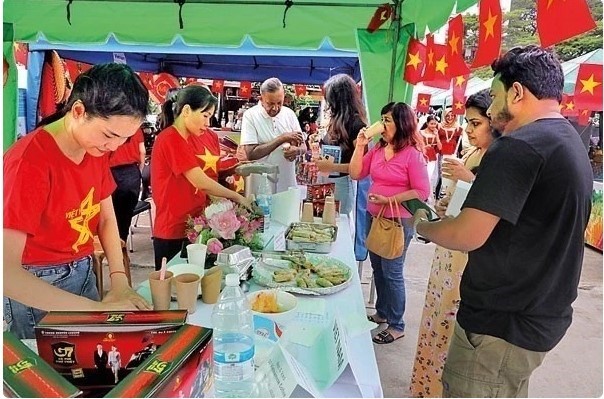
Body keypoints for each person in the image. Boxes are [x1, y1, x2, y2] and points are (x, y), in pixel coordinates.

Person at [414, 45, 593, 397]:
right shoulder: (568, 139)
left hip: (500, 325)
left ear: (516, 92)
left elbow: (468, 234)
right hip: (537, 318)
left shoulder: (518, 146)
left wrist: (423, 226)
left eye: (495, 97)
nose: (492, 109)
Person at [3, 63, 152, 339]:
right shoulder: (28, 162)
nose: (114, 147)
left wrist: (118, 280)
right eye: (109, 135)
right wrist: (94, 311)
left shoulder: (93, 150)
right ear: (79, 111)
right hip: (37, 286)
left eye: (124, 139)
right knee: (49, 375)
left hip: (83, 272)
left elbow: (106, 218)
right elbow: (6, 274)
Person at [410, 89, 501, 397]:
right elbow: (456, 202)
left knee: (451, 324)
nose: (469, 129)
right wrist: (443, 206)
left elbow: (496, 206)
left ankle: (440, 389)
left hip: (467, 254)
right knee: (437, 317)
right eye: (468, 122)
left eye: (476, 123)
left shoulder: (499, 158)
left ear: (494, 121)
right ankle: (426, 386)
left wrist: (468, 180)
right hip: (447, 249)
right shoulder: (470, 153)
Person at [349, 102, 430, 344]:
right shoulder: (376, 149)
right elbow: (356, 173)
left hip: (398, 221)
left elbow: (421, 191)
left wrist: (390, 199)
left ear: (402, 124)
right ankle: (383, 312)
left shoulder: (412, 155)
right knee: (378, 269)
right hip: (375, 218)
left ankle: (397, 324)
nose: (382, 125)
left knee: (393, 272)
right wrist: (360, 146)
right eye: (382, 119)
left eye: (387, 121)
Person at [151, 85, 250, 270]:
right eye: (205, 116)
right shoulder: (171, 139)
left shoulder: (188, 138)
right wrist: (237, 197)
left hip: (194, 226)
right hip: (173, 230)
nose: (207, 122)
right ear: (186, 110)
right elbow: (201, 181)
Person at [313, 74, 368, 217]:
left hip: (342, 183)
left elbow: (362, 166)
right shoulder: (336, 119)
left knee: (338, 223)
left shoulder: (356, 125)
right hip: (327, 180)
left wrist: (332, 167)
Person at [240, 77, 305, 193]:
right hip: (261, 186)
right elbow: (251, 154)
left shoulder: (289, 114)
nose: (275, 108)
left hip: (287, 185)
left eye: (279, 103)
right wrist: (282, 138)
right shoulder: (250, 116)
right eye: (270, 104)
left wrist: (297, 151)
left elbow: (303, 146)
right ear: (261, 99)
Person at [109, 126, 146, 242]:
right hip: (131, 172)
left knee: (110, 215)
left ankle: (113, 245)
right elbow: (142, 152)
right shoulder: (136, 128)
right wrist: (139, 170)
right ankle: (122, 242)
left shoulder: (110, 126)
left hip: (111, 172)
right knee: (125, 215)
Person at [435, 109, 463, 198]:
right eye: (447, 116)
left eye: (452, 115)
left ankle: (447, 193)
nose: (450, 118)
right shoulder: (439, 126)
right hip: (441, 153)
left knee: (450, 174)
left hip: (452, 153)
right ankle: (438, 195)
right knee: (441, 174)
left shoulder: (458, 128)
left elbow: (460, 143)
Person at [419, 115, 442, 201]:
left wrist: (437, 136)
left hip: (432, 157)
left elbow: (440, 147)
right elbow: (416, 145)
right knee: (422, 175)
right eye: (432, 124)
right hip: (422, 156)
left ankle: (426, 194)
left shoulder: (436, 133)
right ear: (427, 123)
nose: (433, 126)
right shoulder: (421, 132)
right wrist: (425, 146)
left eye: (435, 124)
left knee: (429, 176)